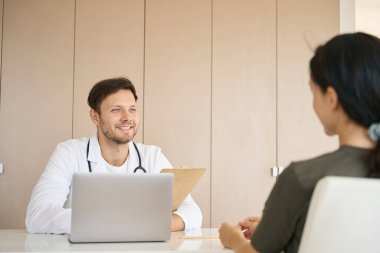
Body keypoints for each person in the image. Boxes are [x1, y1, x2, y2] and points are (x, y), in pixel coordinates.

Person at [219, 32, 380, 253]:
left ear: (332, 98)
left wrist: (233, 238)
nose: (313, 103)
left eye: (313, 92)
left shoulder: (301, 178)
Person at [26, 77, 202, 234]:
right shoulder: (69, 153)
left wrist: (155, 225)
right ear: (95, 116)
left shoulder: (152, 156)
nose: (127, 118)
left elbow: (193, 212)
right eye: (116, 110)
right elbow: (38, 216)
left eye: (132, 109)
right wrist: (123, 222)